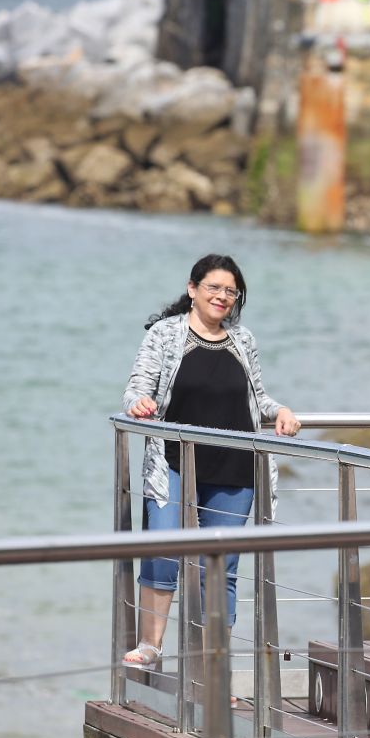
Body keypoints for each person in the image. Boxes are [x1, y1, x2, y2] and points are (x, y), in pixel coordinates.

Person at [120, 254, 300, 668]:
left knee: (219, 568)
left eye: (230, 292)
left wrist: (283, 411)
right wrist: (140, 405)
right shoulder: (165, 335)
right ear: (192, 289)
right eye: (214, 288)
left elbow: (258, 397)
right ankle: (150, 646)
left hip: (235, 466)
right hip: (174, 463)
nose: (222, 297)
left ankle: (212, 667)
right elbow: (134, 391)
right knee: (164, 550)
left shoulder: (243, 340)